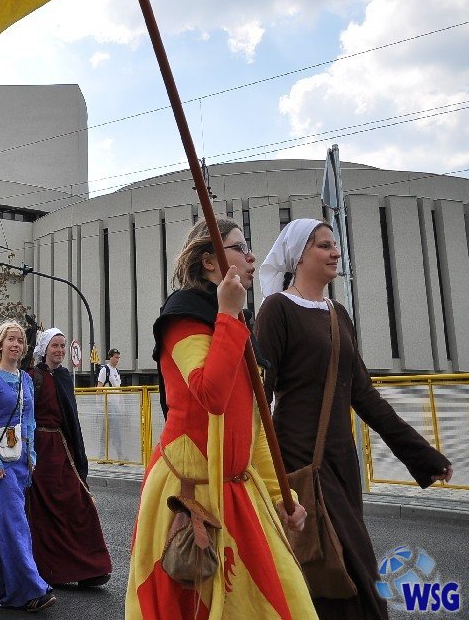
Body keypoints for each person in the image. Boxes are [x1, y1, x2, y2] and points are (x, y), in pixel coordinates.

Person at [256, 218, 453, 620]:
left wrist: (422, 456)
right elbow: (260, 395)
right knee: (336, 566)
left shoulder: (338, 314)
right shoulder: (277, 309)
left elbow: (364, 395)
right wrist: (258, 466)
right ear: (298, 256)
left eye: (335, 245)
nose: (335, 252)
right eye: (324, 245)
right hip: (300, 461)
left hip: (342, 463)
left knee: (342, 565)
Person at [125, 218, 315, 619]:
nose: (251, 257)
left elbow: (254, 428)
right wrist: (228, 314)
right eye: (239, 247)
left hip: (240, 494)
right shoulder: (184, 317)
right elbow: (210, 394)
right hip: (189, 494)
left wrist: (281, 496)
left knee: (282, 601)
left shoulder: (238, 323)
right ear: (209, 261)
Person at [0, 321, 55, 612]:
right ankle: (29, 588)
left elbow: (29, 420)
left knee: (3, 524)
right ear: (0, 344)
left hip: (20, 461)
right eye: (11, 339)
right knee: (13, 524)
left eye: (20, 340)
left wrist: (31, 456)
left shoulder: (26, 380)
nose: (16, 344)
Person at [27, 328, 112, 589]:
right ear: (44, 349)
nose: (60, 350)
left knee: (79, 502)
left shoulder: (64, 377)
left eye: (63, 346)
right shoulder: (32, 376)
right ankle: (50, 570)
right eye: (55, 345)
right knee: (43, 511)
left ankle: (91, 568)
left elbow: (71, 420)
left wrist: (78, 454)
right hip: (39, 451)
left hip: (61, 449)